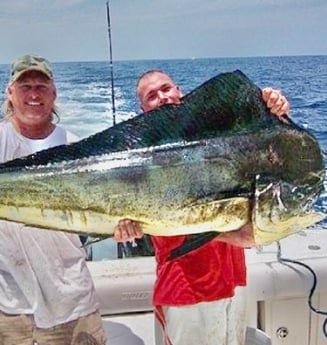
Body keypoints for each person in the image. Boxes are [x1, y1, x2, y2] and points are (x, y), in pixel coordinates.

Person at [114, 70, 290, 345]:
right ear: (143, 109)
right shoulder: (141, 157)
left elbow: (266, 148)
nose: (162, 97)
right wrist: (123, 228)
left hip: (233, 281)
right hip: (184, 292)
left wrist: (270, 105)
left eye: (166, 89)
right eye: (152, 96)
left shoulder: (215, 134)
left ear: (180, 91)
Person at [0, 55, 107, 345]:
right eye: (25, 86)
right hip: (9, 308)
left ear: (54, 93)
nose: (33, 94)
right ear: (10, 92)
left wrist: (122, 227)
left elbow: (102, 209)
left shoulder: (76, 148)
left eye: (41, 86)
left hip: (72, 302)